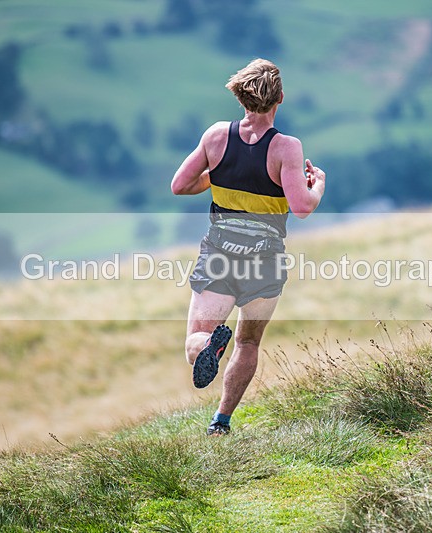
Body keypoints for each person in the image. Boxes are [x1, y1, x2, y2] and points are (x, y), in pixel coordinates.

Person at [170, 58, 326, 436]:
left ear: (239, 96)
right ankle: (221, 421)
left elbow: (180, 185)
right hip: (265, 260)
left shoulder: (216, 137)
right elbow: (302, 207)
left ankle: (209, 344)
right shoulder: (286, 148)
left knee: (194, 343)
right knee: (248, 342)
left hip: (220, 254)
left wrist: (216, 175)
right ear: (280, 98)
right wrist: (317, 185)